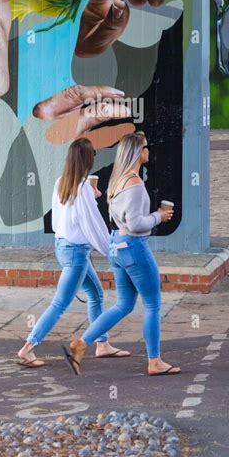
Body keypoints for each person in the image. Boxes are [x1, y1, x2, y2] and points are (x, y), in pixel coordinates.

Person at [65, 131, 181, 377]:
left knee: (124, 304)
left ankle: (82, 343)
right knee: (152, 304)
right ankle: (155, 361)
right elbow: (137, 223)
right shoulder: (136, 185)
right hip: (134, 246)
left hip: (116, 245)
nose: (149, 150)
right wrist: (159, 216)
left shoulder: (117, 180)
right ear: (138, 153)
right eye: (146, 147)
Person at [17, 137, 131, 367]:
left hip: (64, 247)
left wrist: (92, 197)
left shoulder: (63, 182)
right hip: (76, 254)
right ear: (88, 159)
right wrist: (111, 252)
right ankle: (28, 348)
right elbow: (93, 225)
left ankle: (103, 344)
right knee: (59, 304)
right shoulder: (82, 189)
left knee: (96, 295)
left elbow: (66, 217)